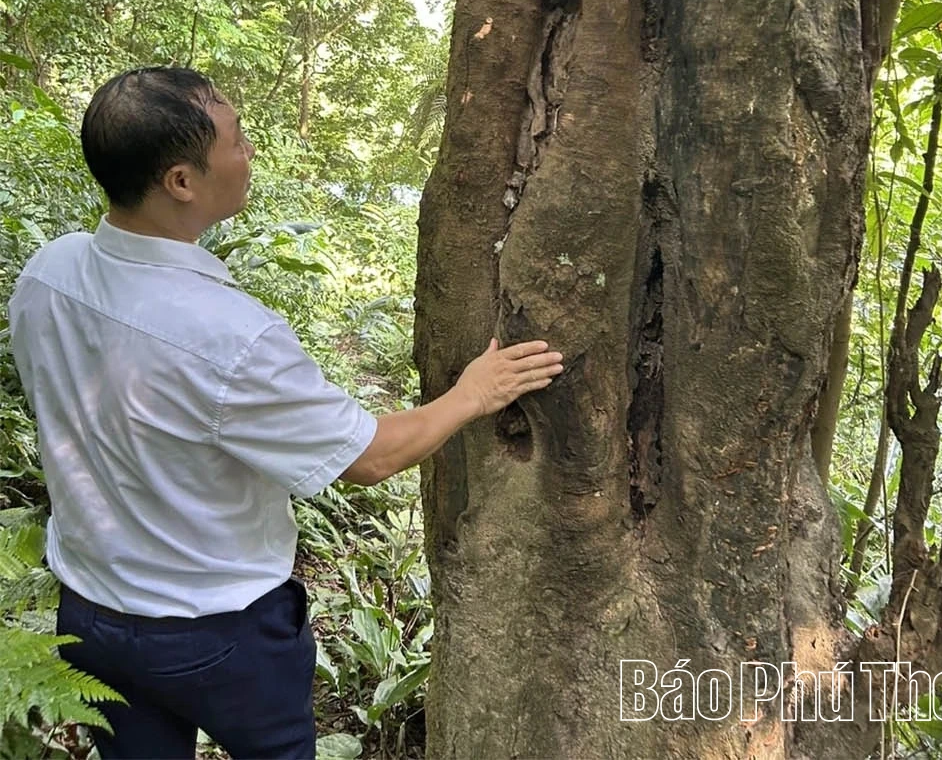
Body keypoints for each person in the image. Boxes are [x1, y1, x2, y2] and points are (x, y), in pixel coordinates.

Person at [7, 67, 563, 760]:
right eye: (237, 140)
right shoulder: (230, 335)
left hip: (89, 613)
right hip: (218, 634)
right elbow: (369, 456)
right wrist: (473, 393)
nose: (250, 154)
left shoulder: (47, 271)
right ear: (181, 180)